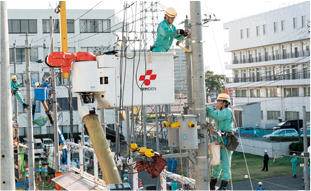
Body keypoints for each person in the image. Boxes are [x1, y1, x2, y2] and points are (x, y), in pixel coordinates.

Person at [206, 93, 233, 191]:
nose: (217, 103)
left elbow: (217, 116)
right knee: (216, 161)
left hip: (227, 138)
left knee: (225, 162)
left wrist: (208, 109)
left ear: (224, 103)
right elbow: (213, 115)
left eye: (218, 101)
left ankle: (224, 185)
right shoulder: (219, 112)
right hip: (220, 138)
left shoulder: (227, 111)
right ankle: (212, 184)